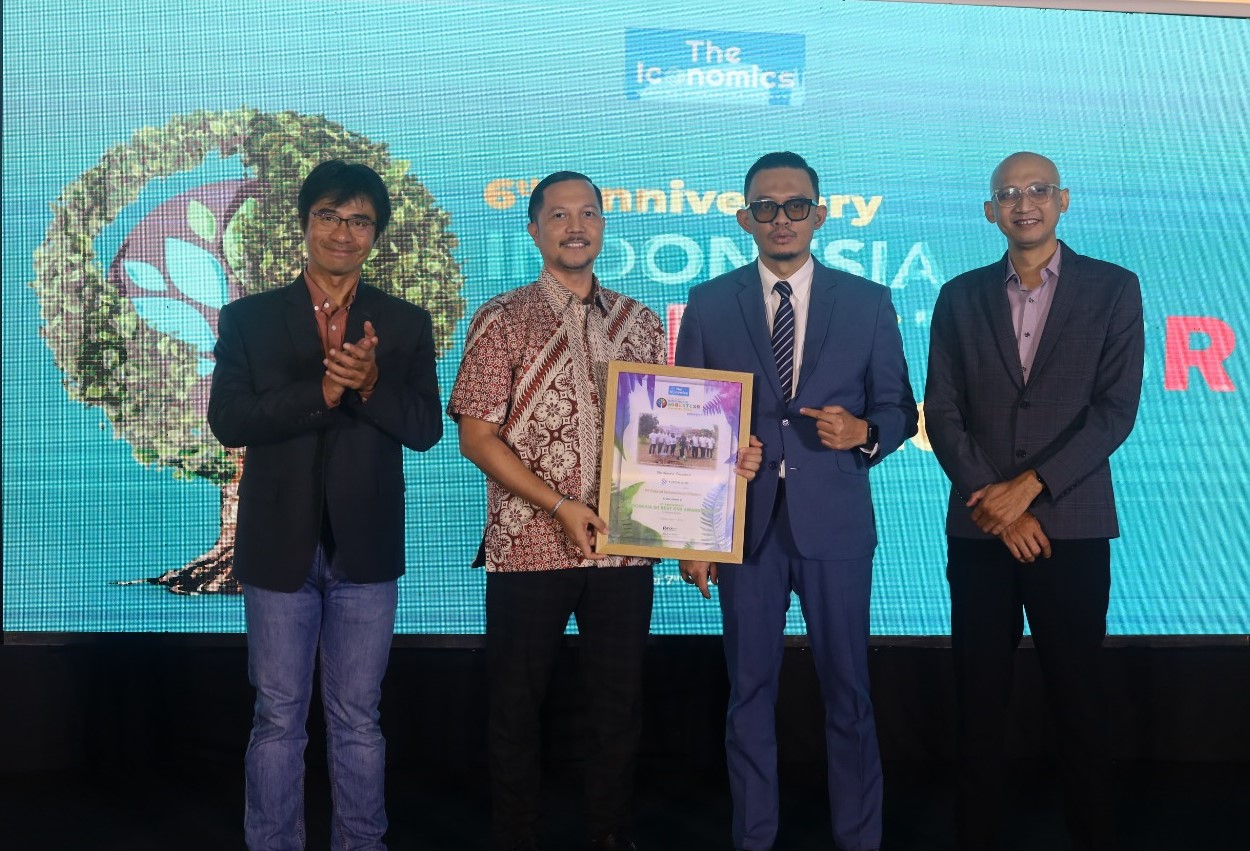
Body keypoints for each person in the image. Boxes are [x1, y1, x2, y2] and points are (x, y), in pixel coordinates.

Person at [449, 171, 760, 851]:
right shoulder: (503, 317)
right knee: (515, 707)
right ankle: (518, 837)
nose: (575, 226)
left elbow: (671, 435)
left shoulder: (639, 322)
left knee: (617, 707)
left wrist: (717, 473)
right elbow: (476, 436)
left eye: (588, 213)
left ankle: (609, 834)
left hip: (625, 547)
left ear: (603, 226)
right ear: (534, 230)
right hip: (528, 544)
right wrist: (559, 504)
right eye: (559, 215)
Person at [675, 152, 917, 851]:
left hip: (835, 527)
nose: (781, 218)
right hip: (742, 527)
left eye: (796, 205)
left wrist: (864, 432)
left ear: (820, 213)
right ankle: (753, 838)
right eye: (767, 206)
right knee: (749, 694)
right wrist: (693, 534)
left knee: (850, 692)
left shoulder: (868, 302)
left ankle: (859, 839)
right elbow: (685, 419)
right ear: (744, 217)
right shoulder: (708, 302)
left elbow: (899, 409)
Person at [208, 160, 443, 850]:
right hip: (277, 546)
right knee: (278, 717)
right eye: (330, 217)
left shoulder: (404, 323)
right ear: (305, 223)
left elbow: (426, 429)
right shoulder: (248, 318)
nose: (343, 232)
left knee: (358, 718)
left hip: (367, 548)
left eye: (359, 221)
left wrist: (369, 385)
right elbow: (229, 420)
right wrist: (322, 392)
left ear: (376, 234)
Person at [924, 151, 1144, 851]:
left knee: (1079, 699)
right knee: (978, 701)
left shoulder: (1114, 288)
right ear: (990, 210)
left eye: (1038, 190)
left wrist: (1032, 489)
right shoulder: (958, 296)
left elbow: (1114, 411)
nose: (1025, 203)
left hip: (1072, 526)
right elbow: (943, 411)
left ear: (1063, 200)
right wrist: (998, 503)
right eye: (1009, 193)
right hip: (980, 528)